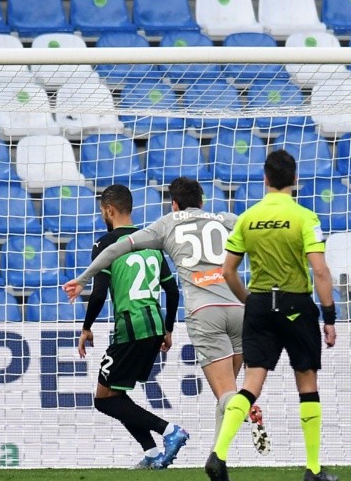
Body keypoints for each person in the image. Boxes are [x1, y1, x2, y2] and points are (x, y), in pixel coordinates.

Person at [63, 176, 271, 454]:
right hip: (239, 309)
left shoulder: (165, 225)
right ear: (202, 201)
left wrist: (83, 278)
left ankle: (238, 410)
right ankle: (217, 458)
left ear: (174, 205)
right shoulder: (225, 218)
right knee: (227, 394)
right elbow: (261, 238)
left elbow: (115, 251)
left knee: (226, 396)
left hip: (201, 312)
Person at [203, 149, 339, 481]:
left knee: (251, 384)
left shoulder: (248, 218)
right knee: (306, 383)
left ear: (265, 180)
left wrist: (250, 301)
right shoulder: (305, 217)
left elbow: (228, 271)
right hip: (296, 305)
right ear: (295, 180)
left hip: (260, 304)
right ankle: (312, 468)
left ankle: (219, 454)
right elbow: (319, 271)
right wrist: (330, 316)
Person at [79, 184, 189, 469]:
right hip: (154, 325)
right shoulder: (151, 241)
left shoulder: (106, 245)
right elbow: (173, 291)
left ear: (109, 210)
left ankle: (169, 431)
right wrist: (168, 329)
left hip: (131, 327)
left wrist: (86, 327)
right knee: (117, 392)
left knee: (103, 399)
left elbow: (100, 292)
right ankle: (151, 453)